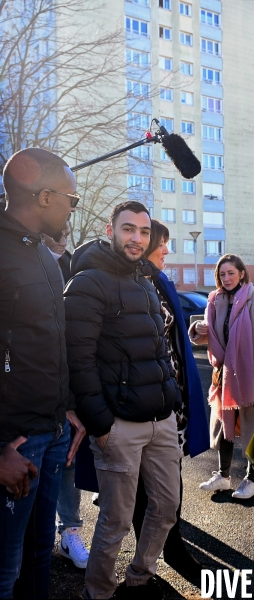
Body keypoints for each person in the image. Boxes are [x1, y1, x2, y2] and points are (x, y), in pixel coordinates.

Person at [64, 201, 181, 599]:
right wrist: (100, 423)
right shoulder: (87, 283)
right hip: (118, 426)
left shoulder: (145, 280)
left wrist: (173, 400)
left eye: (143, 232)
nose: (137, 238)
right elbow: (77, 361)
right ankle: (97, 592)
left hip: (161, 420)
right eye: (128, 229)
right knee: (114, 521)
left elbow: (158, 349)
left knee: (166, 507)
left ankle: (139, 578)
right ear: (110, 229)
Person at [0, 148, 85, 599]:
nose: (74, 208)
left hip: (52, 435)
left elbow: (52, 343)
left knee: (37, 563)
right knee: (4, 572)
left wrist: (68, 408)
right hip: (14, 444)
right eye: (73, 199)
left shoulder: (45, 257)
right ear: (46, 196)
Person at [131, 219, 209, 578]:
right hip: (139, 405)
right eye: (162, 242)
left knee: (168, 486)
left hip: (169, 404)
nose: (165, 249)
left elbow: (171, 341)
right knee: (142, 492)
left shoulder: (159, 281)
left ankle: (169, 548)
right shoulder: (129, 281)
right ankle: (155, 558)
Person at [189, 254, 254, 500]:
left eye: (231, 273)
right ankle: (223, 476)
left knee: (251, 429)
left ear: (242, 273)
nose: (226, 278)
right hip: (222, 376)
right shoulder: (214, 300)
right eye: (222, 274)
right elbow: (209, 336)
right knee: (224, 425)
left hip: (249, 378)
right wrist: (197, 329)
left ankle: (251, 480)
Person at [43, 224, 90, 570]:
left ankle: (69, 532)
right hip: (30, 391)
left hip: (69, 388)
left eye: (67, 227)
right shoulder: (19, 259)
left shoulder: (77, 267)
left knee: (68, 463)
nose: (63, 232)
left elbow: (80, 342)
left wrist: (73, 399)